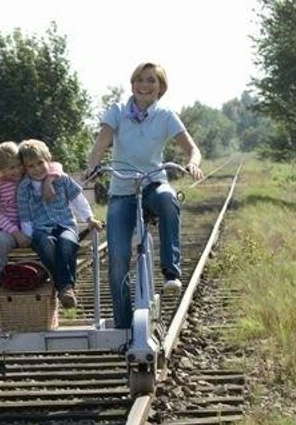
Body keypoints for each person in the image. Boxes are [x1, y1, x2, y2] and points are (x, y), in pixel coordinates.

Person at [85, 62, 204, 329]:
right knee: (117, 259)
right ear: (132, 84)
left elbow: (192, 149)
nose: (144, 85)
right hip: (122, 190)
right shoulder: (117, 111)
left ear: (160, 87)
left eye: (151, 80)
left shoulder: (166, 115)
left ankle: (171, 271)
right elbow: (101, 144)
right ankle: (124, 325)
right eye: (139, 79)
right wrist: (93, 165)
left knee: (167, 198)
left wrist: (193, 163)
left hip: (152, 183)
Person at [0, 141, 63, 316]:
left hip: (15, 228)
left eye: (18, 166)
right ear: (0, 169)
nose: (16, 171)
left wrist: (49, 180)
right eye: (11, 168)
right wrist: (15, 232)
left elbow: (55, 165)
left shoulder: (27, 177)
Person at [17, 139, 104, 308]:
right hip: (40, 229)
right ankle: (66, 287)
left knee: (67, 243)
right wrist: (27, 236)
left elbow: (77, 199)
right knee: (47, 245)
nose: (37, 169)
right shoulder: (24, 187)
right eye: (31, 166)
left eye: (40, 163)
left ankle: (64, 287)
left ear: (48, 160)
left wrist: (89, 218)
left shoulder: (61, 179)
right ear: (25, 168)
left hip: (65, 224)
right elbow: (25, 215)